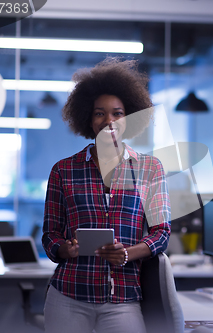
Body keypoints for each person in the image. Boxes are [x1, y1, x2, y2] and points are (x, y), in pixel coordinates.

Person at [42, 58, 171, 333]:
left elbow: (161, 233)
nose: (109, 121)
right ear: (88, 118)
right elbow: (50, 234)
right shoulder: (64, 170)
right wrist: (65, 248)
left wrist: (127, 253)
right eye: (100, 113)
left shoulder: (150, 168)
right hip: (68, 295)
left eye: (118, 113)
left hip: (123, 297)